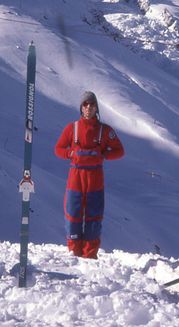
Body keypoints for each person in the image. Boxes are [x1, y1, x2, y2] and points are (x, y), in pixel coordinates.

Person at [54, 91, 124, 259]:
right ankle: (74, 252)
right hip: (75, 177)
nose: (88, 107)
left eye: (92, 104)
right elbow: (58, 149)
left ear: (96, 108)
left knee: (94, 215)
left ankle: (90, 255)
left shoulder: (105, 130)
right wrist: (70, 153)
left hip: (95, 178)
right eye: (85, 104)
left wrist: (104, 155)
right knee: (73, 213)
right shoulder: (72, 128)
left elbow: (120, 151)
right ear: (81, 107)